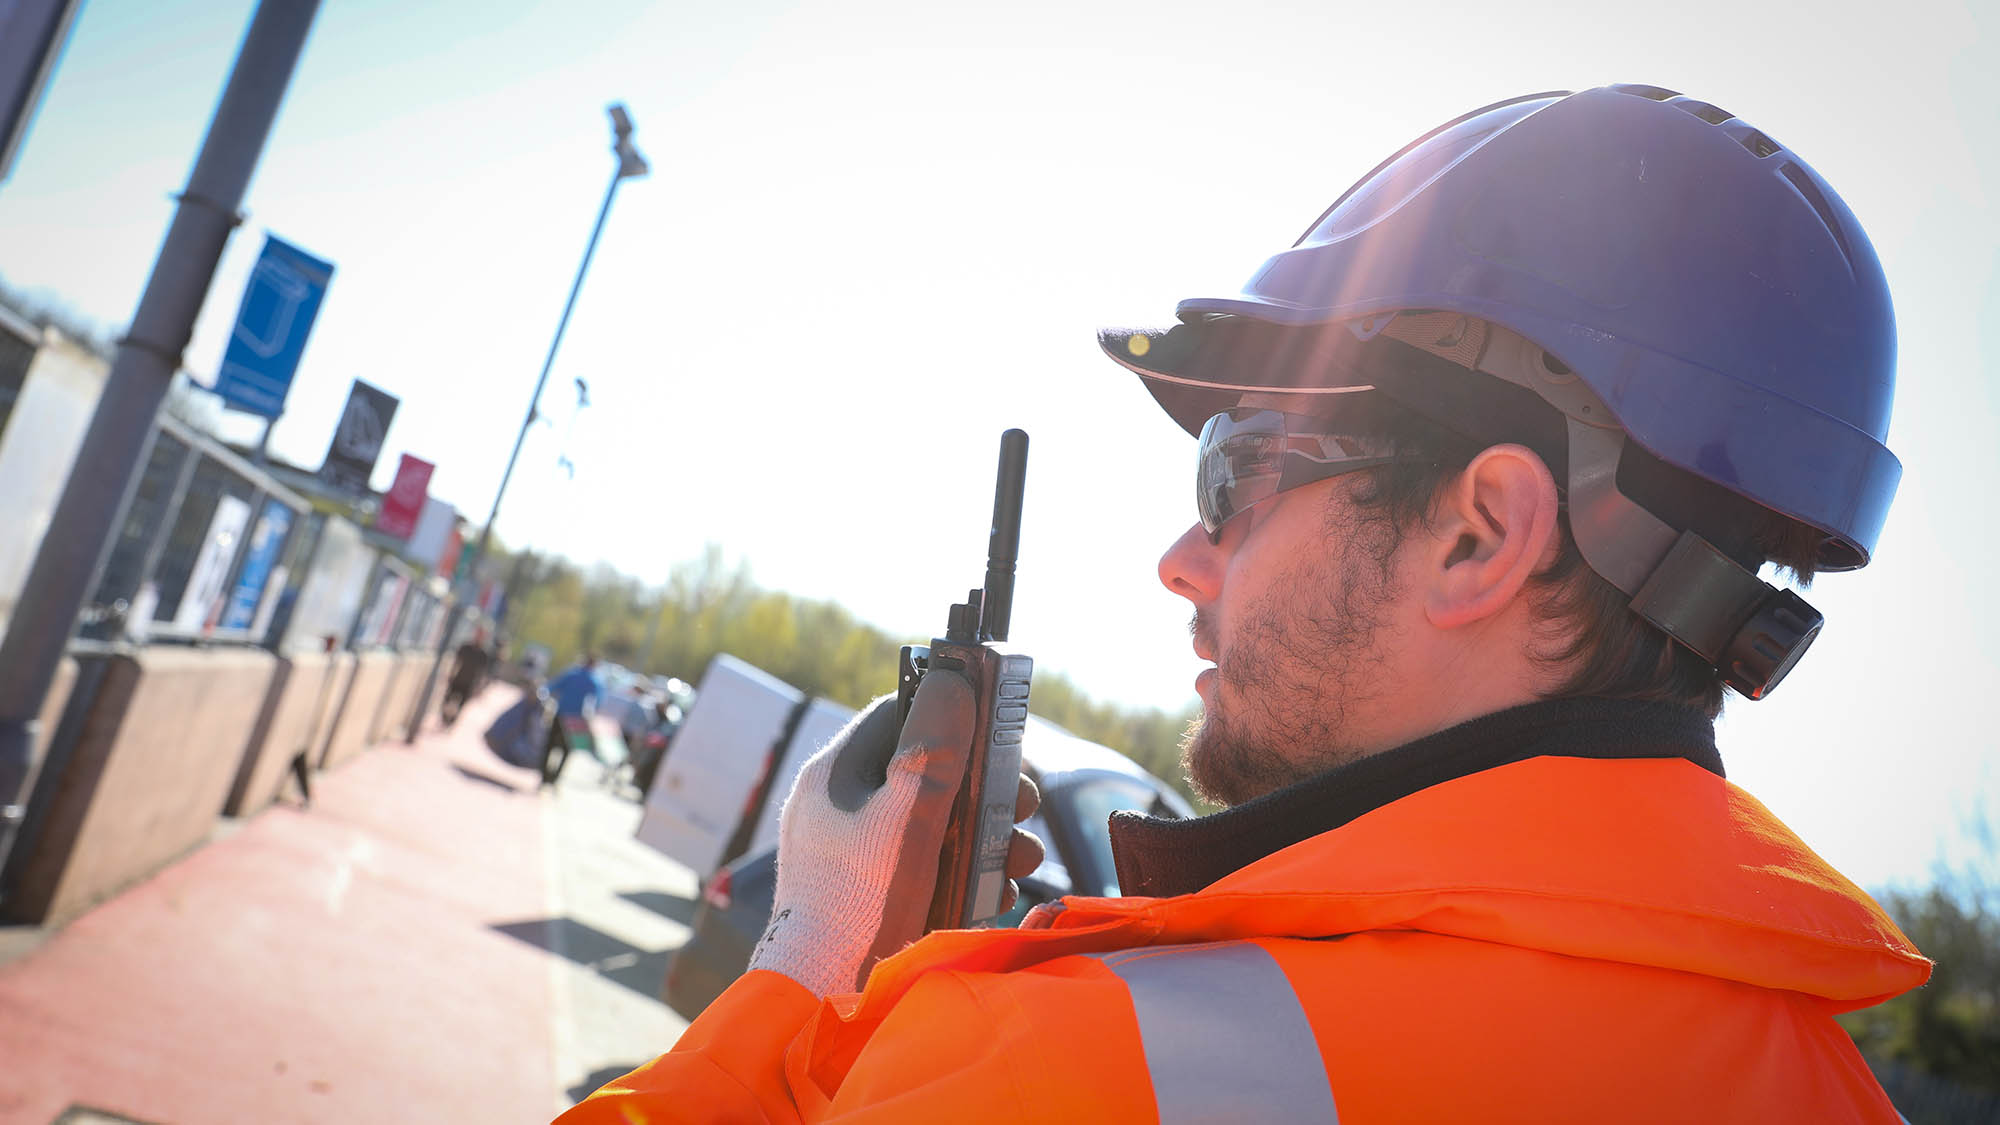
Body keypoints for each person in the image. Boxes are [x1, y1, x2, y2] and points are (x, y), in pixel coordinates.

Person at [560, 86, 1929, 1122]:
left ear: (1482, 533)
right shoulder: (1821, 1084)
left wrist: (809, 971)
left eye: (1238, 473)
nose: (1182, 556)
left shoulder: (1095, 1066)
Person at [541, 653, 603, 788]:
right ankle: (554, 779)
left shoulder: (572, 674)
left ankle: (544, 776)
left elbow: (552, 686)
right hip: (577, 720)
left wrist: (542, 694)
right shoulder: (594, 681)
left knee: (550, 745)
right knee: (567, 750)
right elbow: (598, 701)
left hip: (561, 714)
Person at [440, 627, 493, 727]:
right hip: (458, 679)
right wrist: (450, 673)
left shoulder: (483, 655)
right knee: (447, 699)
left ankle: (451, 722)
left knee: (461, 705)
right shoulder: (465, 647)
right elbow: (456, 662)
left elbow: (482, 673)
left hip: (470, 684)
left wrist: (479, 687)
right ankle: (444, 718)